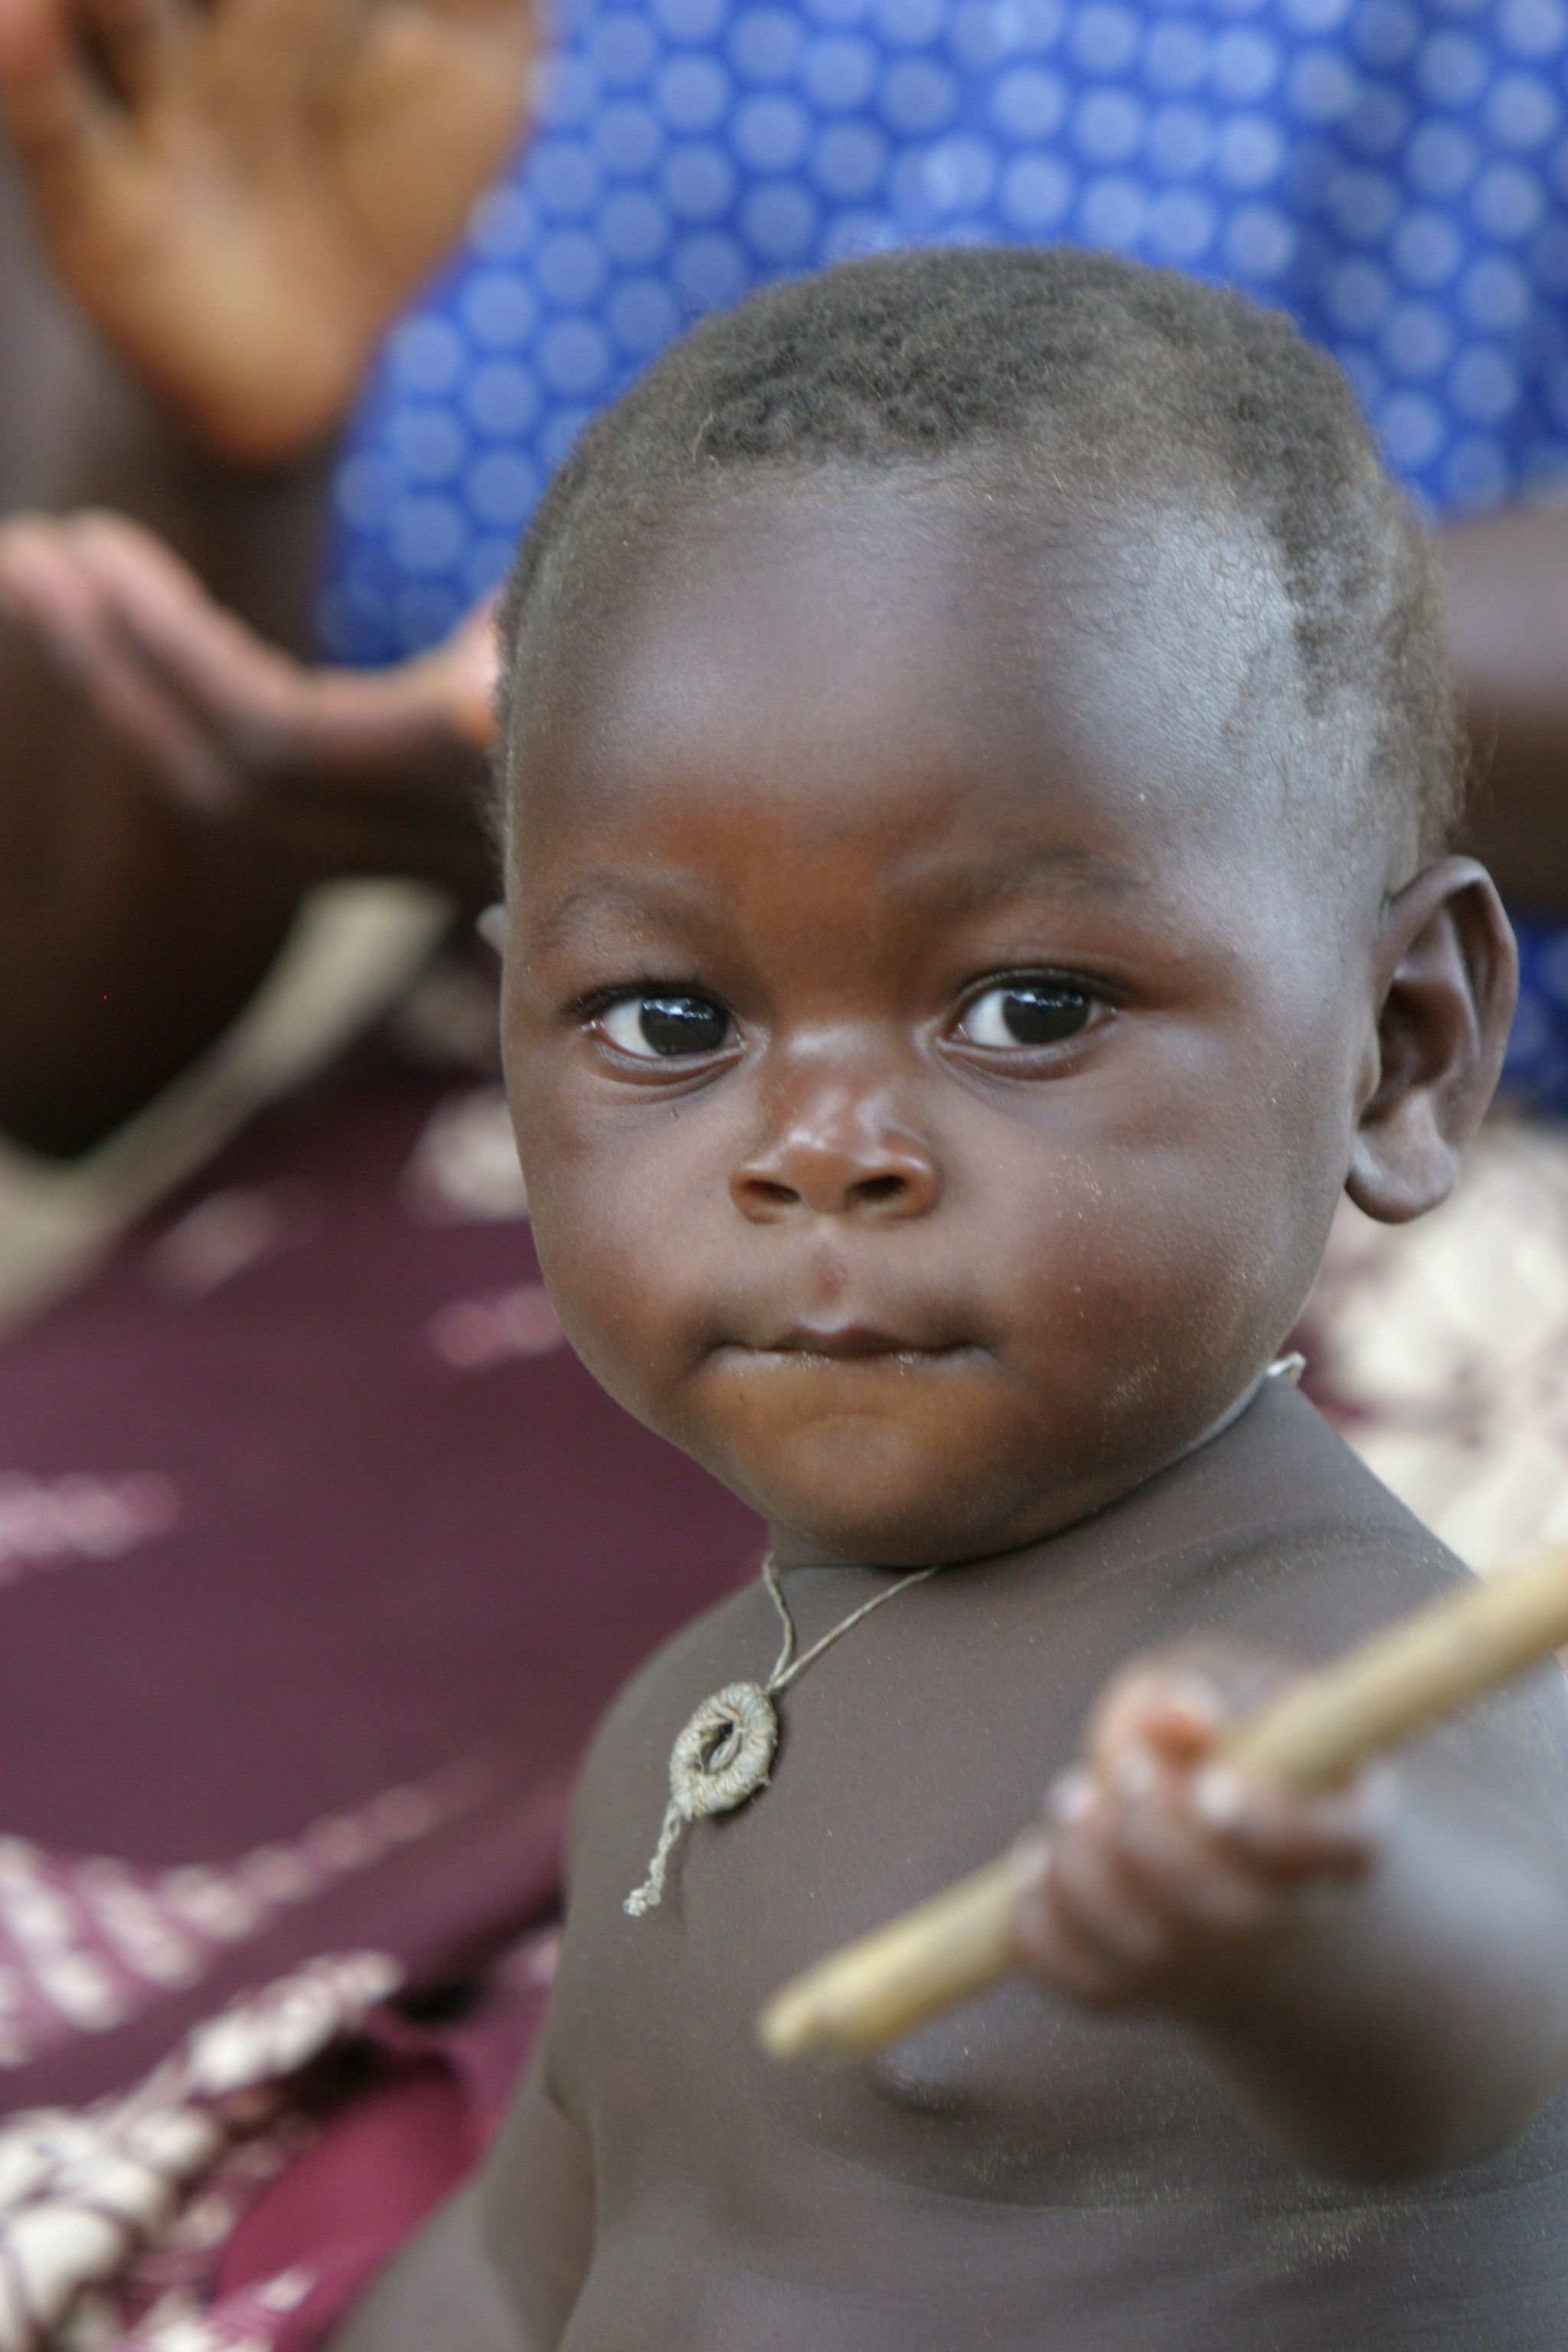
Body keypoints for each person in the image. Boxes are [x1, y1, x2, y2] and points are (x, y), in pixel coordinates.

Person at [331, 249, 1568, 2352]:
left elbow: (1497, 2031)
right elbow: (525, 2268)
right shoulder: (686, 1720)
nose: (821, 1146)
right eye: (662, 1016)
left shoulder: (1341, 1691)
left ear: (1403, 1047)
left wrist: (1321, 1913)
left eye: (1025, 1008)